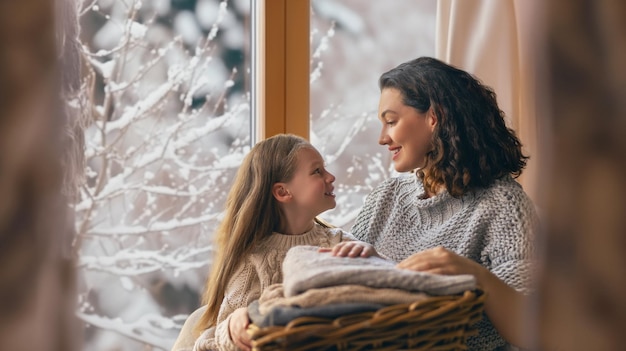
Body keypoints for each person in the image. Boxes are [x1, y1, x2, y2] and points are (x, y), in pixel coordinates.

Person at [349, 57, 538, 351]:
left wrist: (477, 276)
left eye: (391, 121)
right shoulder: (384, 198)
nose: (382, 138)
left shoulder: (504, 206)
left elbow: (532, 328)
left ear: (433, 117)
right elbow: (335, 287)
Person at [171, 133, 376, 351]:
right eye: (317, 171)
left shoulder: (341, 242)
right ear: (282, 191)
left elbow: (389, 287)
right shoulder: (252, 261)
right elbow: (223, 334)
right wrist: (233, 326)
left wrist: (370, 258)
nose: (331, 176)